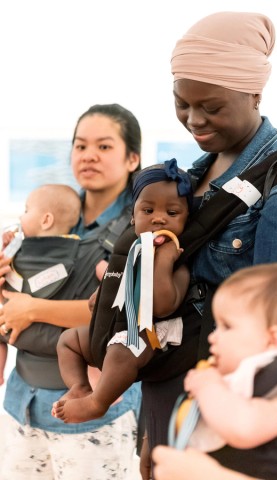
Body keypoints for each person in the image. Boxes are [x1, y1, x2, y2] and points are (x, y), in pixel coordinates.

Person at [138, 11, 277, 479]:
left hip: (229, 413)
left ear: (255, 93)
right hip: (167, 386)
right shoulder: (190, 175)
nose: (194, 120)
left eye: (211, 107)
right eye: (182, 104)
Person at [0, 103, 143, 480]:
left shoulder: (142, 225)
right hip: (21, 401)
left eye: (104, 146)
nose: (88, 156)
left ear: (133, 158)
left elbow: (128, 312)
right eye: (80, 146)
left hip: (93, 410)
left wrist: (31, 309)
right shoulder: (46, 210)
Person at [51, 159, 193, 424]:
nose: (159, 218)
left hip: (146, 338)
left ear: (187, 218)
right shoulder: (130, 249)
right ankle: (80, 386)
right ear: (133, 215)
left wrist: (163, 261)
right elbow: (114, 282)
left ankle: (98, 402)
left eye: (172, 213)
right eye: (148, 210)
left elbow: (163, 306)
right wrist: (100, 298)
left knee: (121, 352)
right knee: (69, 340)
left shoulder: (179, 262)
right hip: (108, 330)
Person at [173, 263, 277, 452]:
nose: (212, 337)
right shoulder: (236, 378)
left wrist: (209, 387)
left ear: (273, 341)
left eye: (227, 327)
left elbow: (244, 428)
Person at [0, 183, 81, 384]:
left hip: (24, 331)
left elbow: (8, 293)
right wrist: (11, 245)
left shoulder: (29, 254)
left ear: (46, 220)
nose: (20, 217)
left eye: (26, 211)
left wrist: (10, 252)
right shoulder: (76, 250)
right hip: (61, 337)